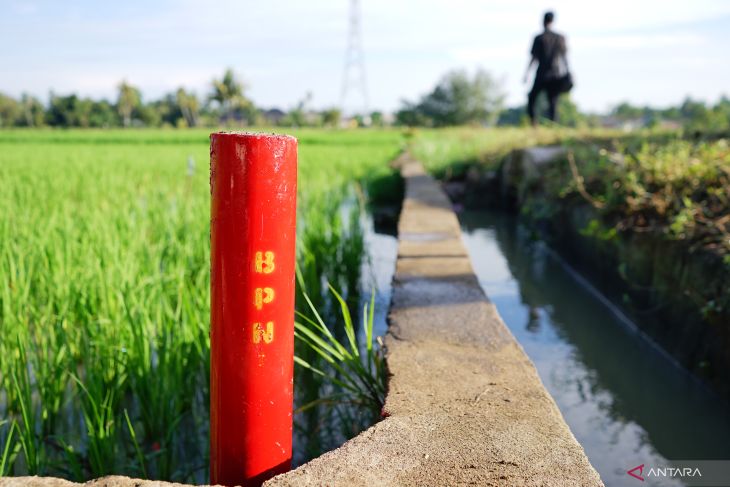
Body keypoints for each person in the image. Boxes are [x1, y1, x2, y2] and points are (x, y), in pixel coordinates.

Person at [524, 11, 568, 125]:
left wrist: (527, 73)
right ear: (553, 21)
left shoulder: (539, 38)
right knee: (553, 101)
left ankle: (534, 123)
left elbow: (533, 58)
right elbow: (564, 58)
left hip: (542, 74)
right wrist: (568, 73)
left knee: (532, 98)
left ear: (543, 21)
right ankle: (554, 124)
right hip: (556, 74)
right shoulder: (560, 38)